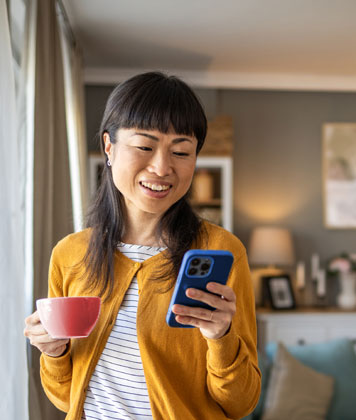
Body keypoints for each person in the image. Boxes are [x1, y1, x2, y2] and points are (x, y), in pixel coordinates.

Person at [24, 71, 261, 420]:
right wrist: (53, 351)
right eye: (145, 147)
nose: (162, 167)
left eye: (181, 151)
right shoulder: (70, 254)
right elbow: (65, 396)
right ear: (109, 146)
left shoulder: (222, 250)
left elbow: (241, 403)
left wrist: (221, 336)